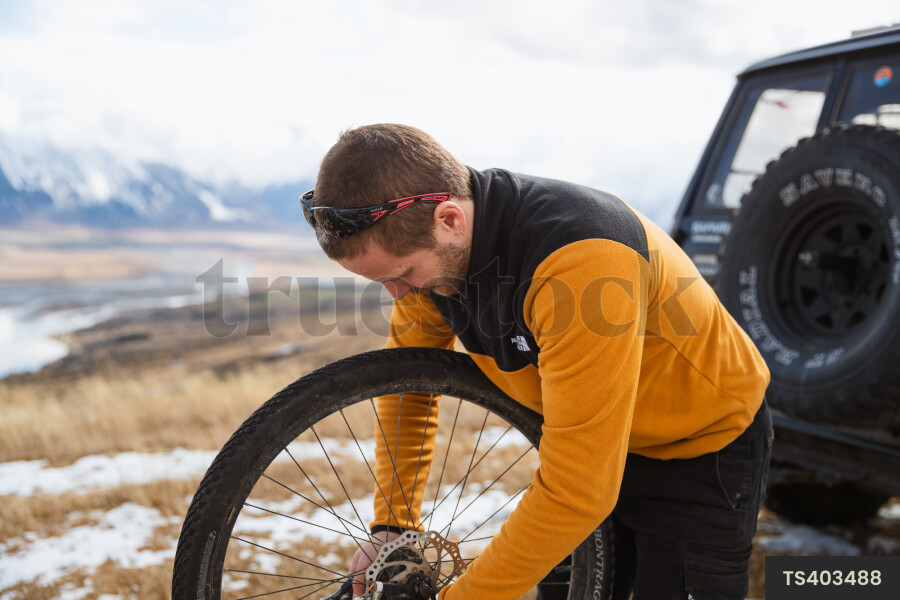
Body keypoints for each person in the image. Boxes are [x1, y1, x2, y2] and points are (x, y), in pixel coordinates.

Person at [301, 123, 773, 600]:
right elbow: (409, 390)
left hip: (698, 445)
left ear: (449, 219)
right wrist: (393, 524)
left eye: (402, 274)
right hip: (584, 444)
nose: (398, 294)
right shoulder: (432, 259)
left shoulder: (582, 261)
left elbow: (578, 494)